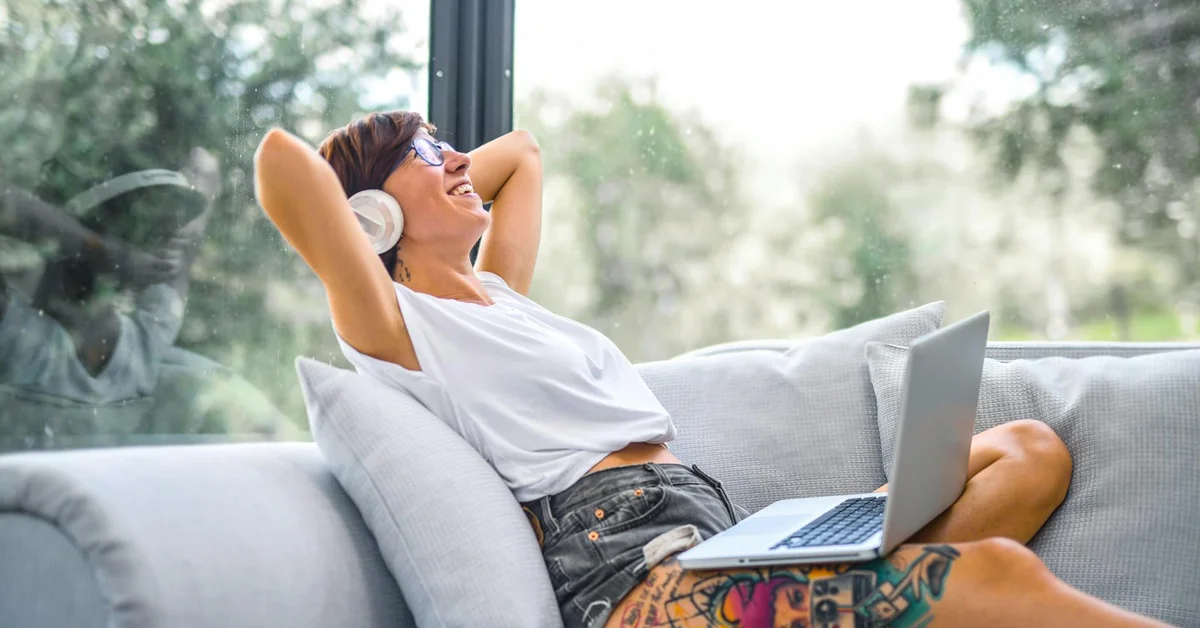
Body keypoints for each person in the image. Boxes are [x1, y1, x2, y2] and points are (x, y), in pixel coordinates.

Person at [253, 112, 1168, 628]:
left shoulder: (502, 299)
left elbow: (524, 155)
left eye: (450, 146)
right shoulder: (399, 326)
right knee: (991, 577)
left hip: (715, 535)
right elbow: (279, 165)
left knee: (1026, 451)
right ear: (370, 212)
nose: (458, 160)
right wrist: (370, 201)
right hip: (634, 583)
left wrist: (426, 172)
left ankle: (865, 599)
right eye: (427, 155)